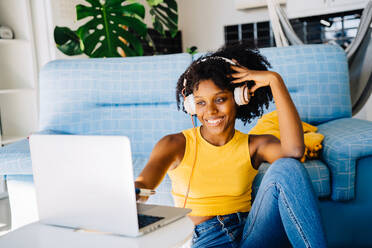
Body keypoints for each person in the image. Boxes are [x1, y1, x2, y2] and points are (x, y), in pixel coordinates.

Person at [135, 43, 327, 248]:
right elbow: (144, 184)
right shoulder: (174, 144)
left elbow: (294, 151)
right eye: (200, 102)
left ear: (238, 98)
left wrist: (274, 80)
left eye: (220, 99)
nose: (210, 111)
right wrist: (133, 193)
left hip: (250, 234)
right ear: (191, 105)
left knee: (288, 166)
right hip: (207, 238)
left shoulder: (254, 145)